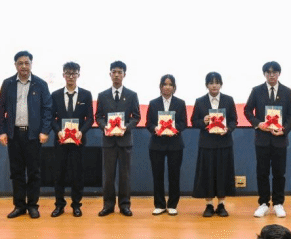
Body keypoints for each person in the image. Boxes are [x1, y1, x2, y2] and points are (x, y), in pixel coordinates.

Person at [0, 50, 52, 219]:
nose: (24, 66)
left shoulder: (40, 84)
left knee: (34, 172)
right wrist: (2, 131)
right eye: (20, 63)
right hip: (14, 135)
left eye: (27, 63)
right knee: (17, 172)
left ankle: (33, 206)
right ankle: (19, 206)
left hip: (33, 135)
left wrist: (44, 131)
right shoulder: (7, 84)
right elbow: (0, 109)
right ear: (15, 65)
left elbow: (47, 110)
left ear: (31, 64)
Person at [244, 61, 291, 218]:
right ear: (264, 74)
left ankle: (278, 203)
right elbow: (247, 110)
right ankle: (263, 203)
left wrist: (284, 130)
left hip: (280, 139)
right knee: (262, 173)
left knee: (279, 173)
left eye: (274, 72)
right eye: (268, 72)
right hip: (262, 139)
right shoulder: (257, 90)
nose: (271, 75)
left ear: (279, 73)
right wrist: (257, 123)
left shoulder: (287, 91)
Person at [95, 60, 141, 216]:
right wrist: (105, 127)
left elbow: (136, 116)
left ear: (124, 75)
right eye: (114, 72)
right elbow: (98, 116)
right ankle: (108, 205)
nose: (116, 75)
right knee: (108, 176)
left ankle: (125, 205)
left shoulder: (132, 95)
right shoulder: (102, 95)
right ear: (110, 74)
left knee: (125, 175)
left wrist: (126, 127)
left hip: (124, 141)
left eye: (119, 72)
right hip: (108, 141)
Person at [191, 71, 237, 217]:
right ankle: (209, 205)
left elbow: (234, 120)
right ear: (207, 85)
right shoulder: (200, 101)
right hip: (207, 144)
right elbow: (194, 122)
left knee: (223, 174)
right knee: (207, 174)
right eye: (211, 83)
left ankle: (221, 204)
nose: (214, 86)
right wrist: (203, 121)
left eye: (217, 82)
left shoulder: (228, 100)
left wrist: (228, 129)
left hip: (224, 142)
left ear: (221, 84)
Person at [51, 62, 94, 218]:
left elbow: (90, 118)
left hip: (78, 141)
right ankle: (59, 205)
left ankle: (76, 205)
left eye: (74, 73)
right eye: (68, 73)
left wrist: (81, 131)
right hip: (60, 141)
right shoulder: (55, 95)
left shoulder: (86, 94)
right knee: (59, 174)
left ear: (78, 75)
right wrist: (58, 131)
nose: (71, 76)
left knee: (77, 174)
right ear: (63, 75)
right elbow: (51, 117)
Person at [146, 74, 188, 215]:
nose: (167, 87)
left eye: (170, 84)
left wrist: (174, 129)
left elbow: (184, 123)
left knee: (174, 175)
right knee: (157, 175)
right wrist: (155, 129)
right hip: (156, 144)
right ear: (160, 86)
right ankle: (159, 204)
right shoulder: (153, 103)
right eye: (165, 84)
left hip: (175, 144)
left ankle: (172, 205)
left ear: (174, 87)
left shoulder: (180, 103)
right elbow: (148, 123)